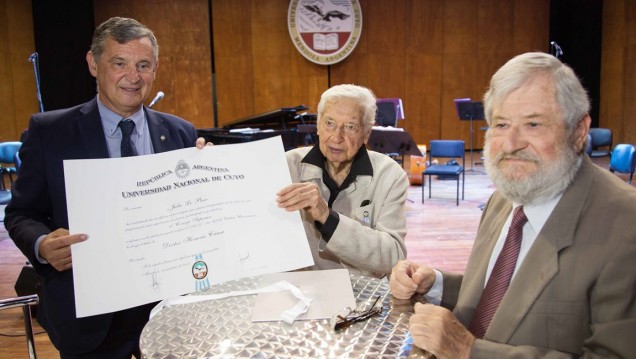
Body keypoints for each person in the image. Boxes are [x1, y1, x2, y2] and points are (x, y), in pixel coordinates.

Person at [390, 52, 636, 358]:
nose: (510, 144)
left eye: (533, 124)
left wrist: (469, 351)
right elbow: (511, 293)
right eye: (501, 124)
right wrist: (437, 285)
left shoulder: (627, 225)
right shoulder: (505, 197)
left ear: (578, 131)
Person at [4, 17, 207, 358]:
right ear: (93, 64)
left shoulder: (181, 133)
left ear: (154, 70)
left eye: (143, 65)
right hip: (89, 318)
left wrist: (210, 175)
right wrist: (42, 244)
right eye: (119, 63)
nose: (133, 76)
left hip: (168, 309)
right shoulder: (49, 132)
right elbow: (21, 213)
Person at [276, 84, 408, 277]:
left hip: (363, 295)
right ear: (318, 126)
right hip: (303, 290)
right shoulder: (287, 165)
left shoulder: (390, 175)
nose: (337, 137)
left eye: (350, 127)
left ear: (366, 133)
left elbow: (393, 256)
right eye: (330, 123)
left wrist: (326, 216)